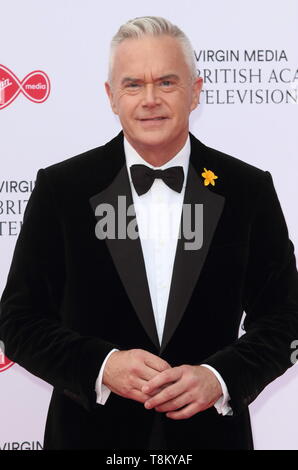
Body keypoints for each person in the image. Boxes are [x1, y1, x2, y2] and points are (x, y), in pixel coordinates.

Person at [0, 16, 298, 451]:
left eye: (167, 82)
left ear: (196, 91)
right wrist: (102, 366)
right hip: (89, 440)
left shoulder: (247, 189)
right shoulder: (62, 189)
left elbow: (286, 317)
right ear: (111, 96)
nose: (150, 99)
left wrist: (219, 378)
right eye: (133, 85)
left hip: (211, 441)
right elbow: (19, 321)